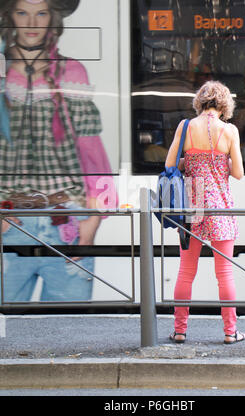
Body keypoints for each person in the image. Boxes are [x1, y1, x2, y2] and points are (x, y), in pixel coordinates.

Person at [0, 0, 116, 302]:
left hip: (69, 221)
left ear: (52, 18)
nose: (32, 23)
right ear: (9, 16)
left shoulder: (71, 70)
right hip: (9, 223)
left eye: (41, 13)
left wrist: (93, 220)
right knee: (5, 336)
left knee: (67, 333)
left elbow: (93, 154)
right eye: (22, 12)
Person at [165, 80, 245, 345]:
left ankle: (179, 330)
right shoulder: (229, 130)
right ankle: (230, 332)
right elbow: (238, 174)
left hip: (192, 207)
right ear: (224, 104)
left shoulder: (185, 126)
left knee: (186, 272)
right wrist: (222, 161)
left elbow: (169, 164)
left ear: (200, 102)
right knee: (225, 273)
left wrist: (191, 161)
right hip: (220, 207)